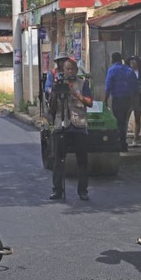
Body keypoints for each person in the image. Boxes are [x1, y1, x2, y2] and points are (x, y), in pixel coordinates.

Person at [47, 57, 93, 201]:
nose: (69, 71)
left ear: (76, 70)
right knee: (58, 159)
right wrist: (55, 93)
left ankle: (83, 191)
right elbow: (52, 108)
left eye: (72, 69)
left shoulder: (83, 84)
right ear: (63, 71)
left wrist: (76, 94)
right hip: (62, 124)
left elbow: (90, 103)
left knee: (82, 160)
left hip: (79, 125)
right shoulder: (58, 84)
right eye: (67, 69)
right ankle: (57, 190)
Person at [105, 52, 139, 152]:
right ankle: (123, 143)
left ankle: (121, 143)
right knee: (124, 121)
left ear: (112, 60)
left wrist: (105, 100)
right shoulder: (129, 70)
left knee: (118, 122)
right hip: (128, 100)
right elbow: (136, 87)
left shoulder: (112, 70)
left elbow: (108, 86)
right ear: (121, 60)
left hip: (117, 100)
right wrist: (134, 100)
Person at [128, 56, 141, 145]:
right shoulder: (127, 72)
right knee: (125, 117)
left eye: (134, 62)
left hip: (139, 97)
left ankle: (135, 138)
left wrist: (140, 88)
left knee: (137, 118)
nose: (132, 63)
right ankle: (122, 138)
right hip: (128, 97)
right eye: (131, 62)